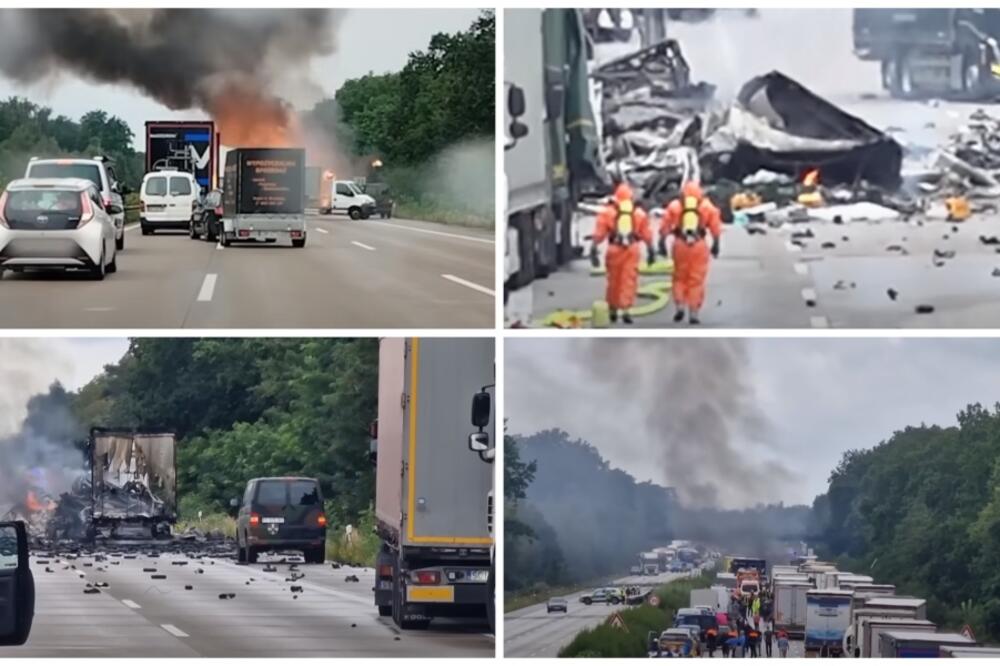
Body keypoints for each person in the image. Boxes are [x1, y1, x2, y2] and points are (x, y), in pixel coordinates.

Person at [660, 180, 723, 325]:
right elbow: (716, 228)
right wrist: (716, 245)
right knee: (696, 280)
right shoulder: (707, 207)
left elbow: (665, 227)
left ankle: (679, 307)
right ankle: (694, 313)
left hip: (680, 245)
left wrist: (661, 242)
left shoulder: (675, 206)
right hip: (699, 246)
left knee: (679, 277)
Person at [591, 183, 654, 325]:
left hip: (614, 249)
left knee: (613, 280)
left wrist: (593, 249)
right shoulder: (639, 214)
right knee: (628, 280)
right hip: (632, 249)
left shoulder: (607, 213)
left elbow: (599, 234)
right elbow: (647, 235)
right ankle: (626, 311)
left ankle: (612, 310)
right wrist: (651, 250)